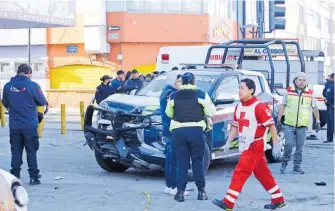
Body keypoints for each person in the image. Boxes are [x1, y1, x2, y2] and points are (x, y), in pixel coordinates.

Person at [212, 78, 285, 210]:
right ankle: (278, 199)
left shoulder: (259, 106)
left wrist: (276, 144)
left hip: (254, 145)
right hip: (246, 145)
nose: (239, 91)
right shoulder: (238, 107)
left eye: (242, 88)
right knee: (262, 174)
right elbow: (235, 126)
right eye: (239, 88)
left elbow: (271, 126)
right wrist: (228, 141)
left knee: (240, 172)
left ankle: (228, 202)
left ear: (251, 91)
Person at [165, 72, 216, 202]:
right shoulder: (201, 94)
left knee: (181, 162)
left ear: (182, 82)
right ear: (194, 82)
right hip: (196, 131)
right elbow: (211, 112)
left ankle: (180, 193)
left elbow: (169, 113)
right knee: (198, 162)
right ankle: (201, 192)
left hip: (178, 132)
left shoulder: (173, 95)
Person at [1, 64, 48, 185]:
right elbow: (42, 101)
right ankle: (34, 177)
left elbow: (5, 103)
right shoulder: (32, 85)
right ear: (29, 73)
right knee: (31, 151)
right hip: (30, 125)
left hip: (15, 125)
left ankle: (14, 177)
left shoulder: (7, 86)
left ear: (18, 72)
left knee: (16, 151)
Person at [277, 72, 320, 174]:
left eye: (304, 80)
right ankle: (285, 162)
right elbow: (283, 106)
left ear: (306, 81)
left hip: (302, 124)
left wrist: (317, 121)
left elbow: (314, 108)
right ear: (295, 80)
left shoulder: (309, 93)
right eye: (300, 80)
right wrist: (279, 119)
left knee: (299, 147)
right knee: (289, 144)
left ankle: (297, 166)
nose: (302, 82)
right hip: (289, 123)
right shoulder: (289, 92)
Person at [160, 73, 187, 196]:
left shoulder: (167, 91)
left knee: (170, 159)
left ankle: (169, 185)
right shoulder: (170, 94)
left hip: (169, 129)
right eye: (179, 81)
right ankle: (174, 187)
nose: (181, 84)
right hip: (173, 129)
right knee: (174, 159)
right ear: (173, 82)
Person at [323, 73, 334, 143]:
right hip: (330, 105)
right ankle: (329, 138)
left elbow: (325, 94)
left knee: (330, 122)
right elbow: (325, 94)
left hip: (330, 105)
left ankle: (329, 139)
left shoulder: (330, 85)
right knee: (330, 123)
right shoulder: (329, 84)